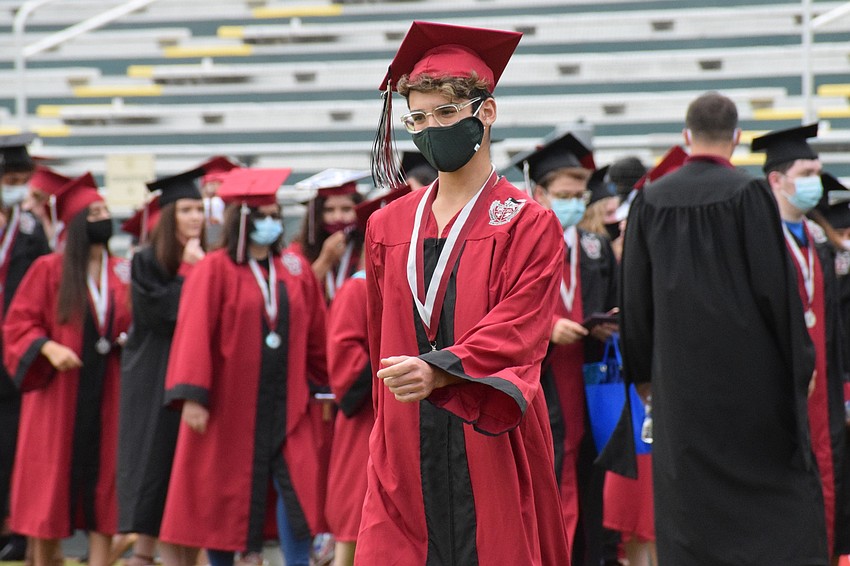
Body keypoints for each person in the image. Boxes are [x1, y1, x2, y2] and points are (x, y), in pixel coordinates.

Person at [359, 21, 570, 565]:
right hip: (404, 441)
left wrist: (443, 370)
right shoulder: (387, 226)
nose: (431, 129)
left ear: (487, 112)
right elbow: (376, 330)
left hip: (492, 432)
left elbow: (520, 330)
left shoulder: (527, 222)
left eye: (446, 114)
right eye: (418, 118)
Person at [616, 91, 827, 564]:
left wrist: (648, 381)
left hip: (681, 389)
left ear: (686, 137)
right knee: (771, 500)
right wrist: (799, 362)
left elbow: (634, 301)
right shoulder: (749, 193)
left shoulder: (649, 199)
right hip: (752, 387)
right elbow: (777, 291)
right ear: (736, 139)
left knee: (691, 511)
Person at [158, 167, 329, 566]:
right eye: (262, 216)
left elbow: (317, 332)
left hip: (289, 401)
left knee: (297, 488)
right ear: (242, 221)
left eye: (275, 215)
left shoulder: (294, 268)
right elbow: (194, 332)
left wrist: (330, 384)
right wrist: (193, 396)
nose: (271, 224)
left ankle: (297, 562)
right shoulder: (214, 269)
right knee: (223, 495)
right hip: (228, 405)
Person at [3, 172, 132, 566]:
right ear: (76, 225)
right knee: (48, 491)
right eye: (94, 211)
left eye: (106, 210)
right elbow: (18, 325)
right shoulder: (49, 270)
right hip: (60, 395)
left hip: (108, 391)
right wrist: (48, 348)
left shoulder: (122, 271)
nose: (103, 217)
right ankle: (45, 559)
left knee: (104, 489)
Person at [512, 132, 617, 566]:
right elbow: (502, 307)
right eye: (564, 195)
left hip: (588, 376)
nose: (575, 203)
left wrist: (607, 324)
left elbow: (611, 294)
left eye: (580, 195)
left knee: (589, 470)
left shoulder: (594, 247)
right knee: (552, 474)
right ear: (539, 193)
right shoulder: (518, 243)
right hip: (543, 377)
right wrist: (548, 326)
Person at [753, 123, 850, 562]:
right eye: (807, 170)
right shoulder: (756, 240)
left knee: (829, 478)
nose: (815, 179)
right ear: (777, 179)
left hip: (824, 387)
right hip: (779, 389)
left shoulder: (817, 241)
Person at [117, 168, 206, 566]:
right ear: (168, 216)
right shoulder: (146, 262)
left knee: (189, 472)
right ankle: (146, 554)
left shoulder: (211, 258)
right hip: (153, 379)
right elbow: (169, 314)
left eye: (200, 209)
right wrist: (195, 272)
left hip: (193, 380)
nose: (195, 217)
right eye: (186, 209)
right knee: (157, 466)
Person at [323, 186, 410, 566]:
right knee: (356, 517)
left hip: (408, 415)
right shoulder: (356, 289)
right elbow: (344, 360)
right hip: (367, 418)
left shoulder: (415, 289)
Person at [0, 134, 54, 562]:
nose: (17, 186)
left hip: (14, 354)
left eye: (22, 178)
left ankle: (16, 528)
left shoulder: (32, 229)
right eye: (10, 179)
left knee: (16, 442)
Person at [291, 168, 370, 301]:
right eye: (329, 210)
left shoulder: (368, 249)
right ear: (317, 214)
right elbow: (295, 298)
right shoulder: (298, 251)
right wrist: (325, 260)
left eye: (346, 209)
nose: (338, 217)